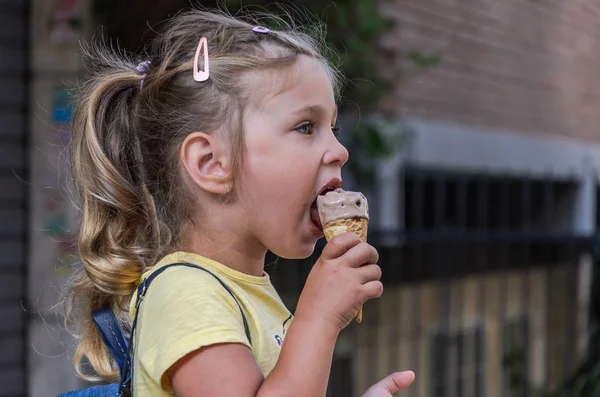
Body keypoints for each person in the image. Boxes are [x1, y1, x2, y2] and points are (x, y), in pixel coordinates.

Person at [65, 7, 415, 397]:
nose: (339, 151)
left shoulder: (242, 292)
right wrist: (318, 318)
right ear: (211, 164)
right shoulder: (185, 293)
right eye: (305, 127)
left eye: (332, 129)